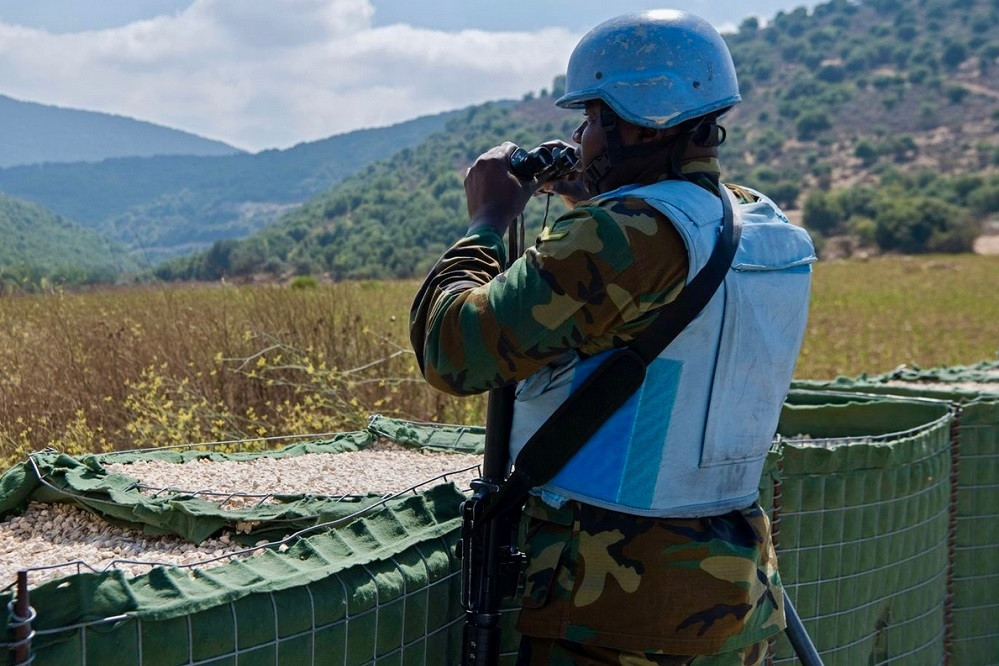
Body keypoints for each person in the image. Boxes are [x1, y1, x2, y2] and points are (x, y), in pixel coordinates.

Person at [410, 9, 816, 666]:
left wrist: (487, 219)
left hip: (615, 610)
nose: (580, 137)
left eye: (590, 118)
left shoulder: (622, 235)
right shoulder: (762, 226)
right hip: (734, 597)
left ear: (629, 122)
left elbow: (451, 351)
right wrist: (596, 200)